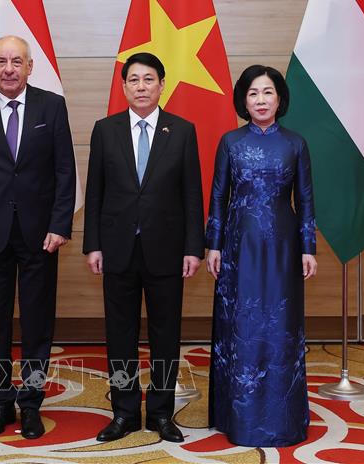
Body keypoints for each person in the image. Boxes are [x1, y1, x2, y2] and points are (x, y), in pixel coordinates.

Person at [0, 35, 76, 439]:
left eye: (17, 61)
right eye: (2, 62)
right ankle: (0, 403)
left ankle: (31, 403)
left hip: (40, 234)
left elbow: (65, 170)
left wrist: (60, 224)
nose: (9, 69)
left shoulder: (51, 106)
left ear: (30, 67)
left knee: (38, 325)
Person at [83, 52, 205, 443]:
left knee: (165, 337)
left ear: (161, 85)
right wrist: (92, 245)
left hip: (167, 249)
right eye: (133, 80)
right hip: (117, 247)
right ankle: (123, 412)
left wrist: (194, 247)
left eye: (148, 79)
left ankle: (161, 413)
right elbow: (95, 191)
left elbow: (192, 194)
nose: (141, 87)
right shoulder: (105, 130)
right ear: (123, 87)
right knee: (120, 337)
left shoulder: (181, 130)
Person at [205, 65, 317, 447]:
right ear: (244, 100)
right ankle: (237, 417)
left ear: (279, 98)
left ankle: (282, 417)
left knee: (281, 326)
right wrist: (214, 244)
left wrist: (308, 248)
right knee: (241, 325)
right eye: (253, 93)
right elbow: (218, 195)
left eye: (268, 92)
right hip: (239, 247)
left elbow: (305, 199)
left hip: (284, 247)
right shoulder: (230, 142)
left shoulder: (296, 143)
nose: (261, 100)